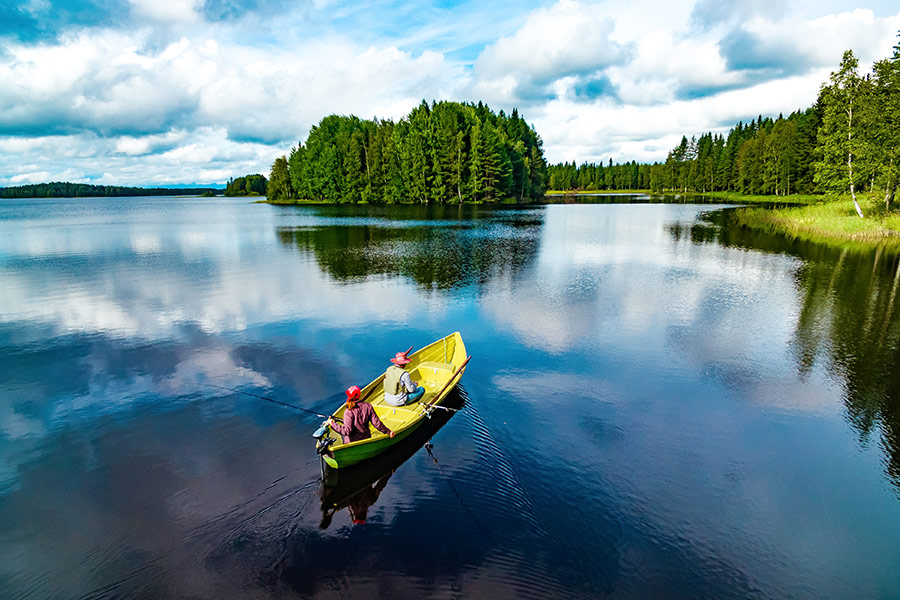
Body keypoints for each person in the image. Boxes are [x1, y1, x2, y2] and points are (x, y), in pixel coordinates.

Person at [328, 385, 395, 443]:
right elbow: (377, 424)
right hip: (366, 439)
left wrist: (332, 424)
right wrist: (388, 432)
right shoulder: (368, 406)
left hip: (351, 442)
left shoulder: (348, 412)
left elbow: (346, 431)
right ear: (359, 395)